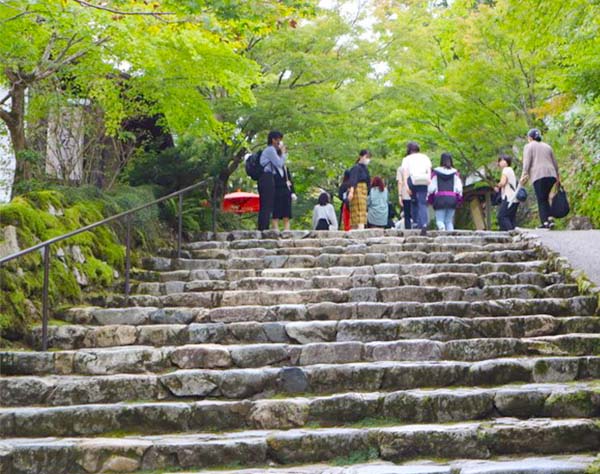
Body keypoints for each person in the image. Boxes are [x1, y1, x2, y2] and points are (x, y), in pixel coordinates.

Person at [520, 128, 561, 229]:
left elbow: (527, 162)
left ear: (530, 138)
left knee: (541, 199)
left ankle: (545, 222)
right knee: (545, 197)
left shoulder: (529, 146)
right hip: (551, 175)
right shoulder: (547, 146)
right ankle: (549, 219)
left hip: (539, 175)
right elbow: (555, 163)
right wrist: (557, 176)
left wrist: (523, 175)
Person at [401, 142, 432, 235]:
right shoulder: (425, 157)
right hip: (423, 180)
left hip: (413, 180)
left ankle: (415, 223)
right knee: (422, 203)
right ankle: (424, 224)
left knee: (414, 202)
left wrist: (406, 186)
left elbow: (405, 173)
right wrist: (429, 180)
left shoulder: (407, 159)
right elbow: (429, 170)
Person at [258, 130, 286, 231]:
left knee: (268, 203)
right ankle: (263, 228)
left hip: (268, 177)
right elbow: (279, 164)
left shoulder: (271, 150)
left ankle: (263, 226)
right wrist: (283, 153)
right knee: (266, 203)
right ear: (273, 140)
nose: (280, 142)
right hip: (266, 177)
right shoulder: (270, 150)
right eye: (278, 140)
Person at [428, 152, 463, 231]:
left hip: (440, 199)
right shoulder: (455, 174)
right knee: (449, 221)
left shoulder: (436, 173)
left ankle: (442, 229)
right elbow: (459, 188)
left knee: (440, 220)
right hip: (452, 199)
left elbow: (431, 189)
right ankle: (451, 236)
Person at [347, 149, 371, 230]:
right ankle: (359, 229)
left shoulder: (365, 169)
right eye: (366, 157)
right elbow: (353, 180)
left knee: (362, 211)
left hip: (364, 191)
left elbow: (368, 182)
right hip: (357, 189)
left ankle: (360, 228)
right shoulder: (356, 168)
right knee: (358, 211)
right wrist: (351, 191)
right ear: (361, 156)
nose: (368, 159)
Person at [495, 154, 518, 231]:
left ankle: (510, 232)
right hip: (514, 198)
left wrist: (497, 186)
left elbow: (503, 182)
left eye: (503, 160)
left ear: (507, 162)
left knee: (502, 216)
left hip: (509, 197)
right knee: (511, 217)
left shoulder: (506, 170)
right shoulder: (511, 170)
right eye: (500, 161)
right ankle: (513, 232)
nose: (501, 162)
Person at [272, 163, 296, 231]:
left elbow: (289, 180)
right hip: (276, 192)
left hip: (286, 192)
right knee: (275, 214)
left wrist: (293, 192)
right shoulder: (271, 167)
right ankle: (276, 231)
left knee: (286, 215)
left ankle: (287, 231)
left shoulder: (285, 167)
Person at [396, 162, 412, 230]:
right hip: (417, 193)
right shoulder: (417, 167)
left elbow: (400, 182)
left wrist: (400, 195)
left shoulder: (400, 168)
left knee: (407, 215)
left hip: (405, 194)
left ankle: (408, 231)